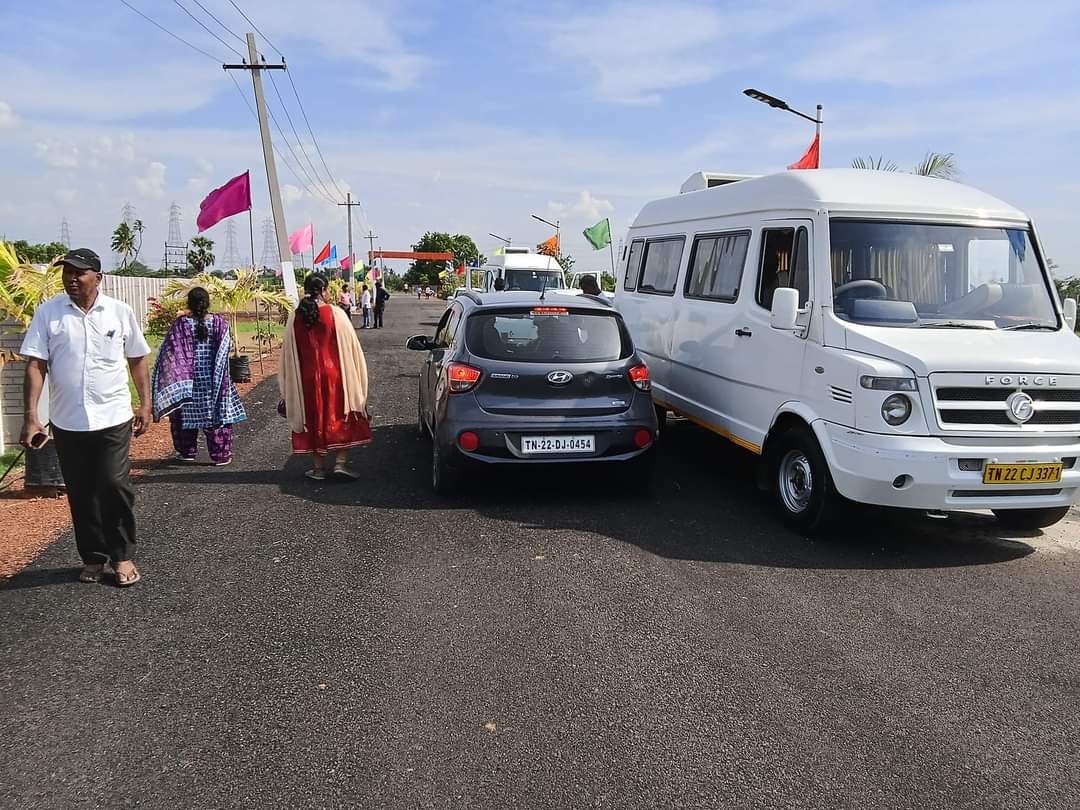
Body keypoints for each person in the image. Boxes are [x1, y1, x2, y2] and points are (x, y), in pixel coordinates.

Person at [19, 248, 151, 587]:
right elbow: (36, 364)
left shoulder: (119, 312)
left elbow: (137, 358)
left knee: (114, 484)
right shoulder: (49, 314)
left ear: (98, 277)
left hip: (113, 416)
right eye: (67, 273)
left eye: (79, 272)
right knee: (81, 491)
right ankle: (93, 556)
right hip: (68, 420)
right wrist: (31, 417)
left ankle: (122, 555)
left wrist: (145, 404)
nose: (71, 279)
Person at [280, 274, 372, 480]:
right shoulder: (336, 314)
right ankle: (340, 463)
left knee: (313, 418)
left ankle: (318, 469)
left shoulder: (295, 317)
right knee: (340, 415)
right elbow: (352, 348)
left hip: (306, 379)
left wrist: (287, 387)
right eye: (328, 289)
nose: (329, 293)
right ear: (323, 291)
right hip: (336, 376)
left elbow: (288, 355)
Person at [151, 287, 246, 466]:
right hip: (213, 381)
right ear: (208, 303)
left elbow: (170, 351)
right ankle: (221, 454)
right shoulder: (219, 323)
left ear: (189, 303)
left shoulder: (182, 324)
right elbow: (228, 347)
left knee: (184, 416)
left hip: (188, 382)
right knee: (215, 415)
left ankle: (187, 451)